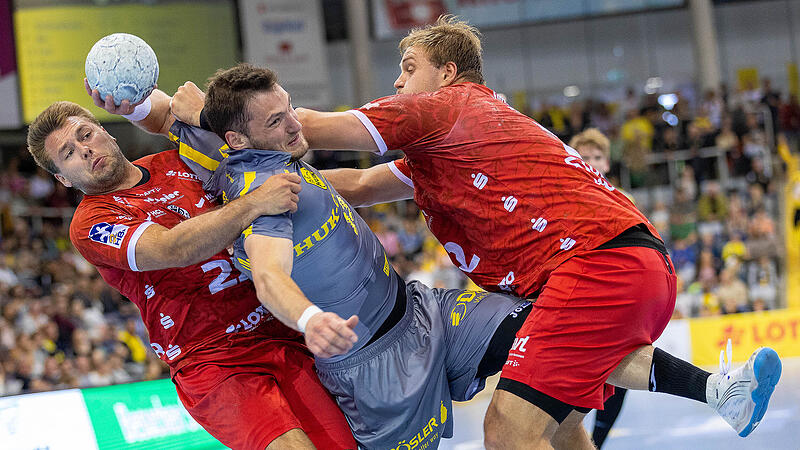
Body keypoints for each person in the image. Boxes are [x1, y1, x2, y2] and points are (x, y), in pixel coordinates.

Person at [174, 16, 783, 449]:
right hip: (626, 265)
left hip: (594, 267)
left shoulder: (445, 108)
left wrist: (196, 117)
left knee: (508, 431)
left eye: (408, 70)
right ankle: (717, 389)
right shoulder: (452, 146)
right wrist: (257, 191)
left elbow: (300, 126)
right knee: (562, 416)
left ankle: (720, 390)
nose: (397, 84)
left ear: (447, 72)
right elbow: (353, 185)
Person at [119, 66, 530, 449]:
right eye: (276, 121)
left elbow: (170, 110)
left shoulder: (260, 151)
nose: (296, 124)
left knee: (549, 331)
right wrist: (309, 320)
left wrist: (130, 102)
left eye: (289, 108)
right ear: (237, 139)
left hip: (426, 311)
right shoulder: (262, 194)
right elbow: (269, 276)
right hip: (376, 371)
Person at [27, 93, 357, 449]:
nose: (85, 150)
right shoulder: (90, 223)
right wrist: (255, 203)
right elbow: (172, 248)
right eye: (69, 153)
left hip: (279, 330)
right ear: (62, 179)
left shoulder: (177, 160)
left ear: (106, 132)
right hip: (213, 359)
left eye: (86, 135)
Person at [568, 128, 628, 448]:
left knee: (620, 377)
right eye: (584, 156)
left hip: (615, 297)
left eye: (597, 156)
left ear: (606, 163)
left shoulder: (623, 201)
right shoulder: (561, 201)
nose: (590, 162)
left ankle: (596, 443)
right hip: (577, 299)